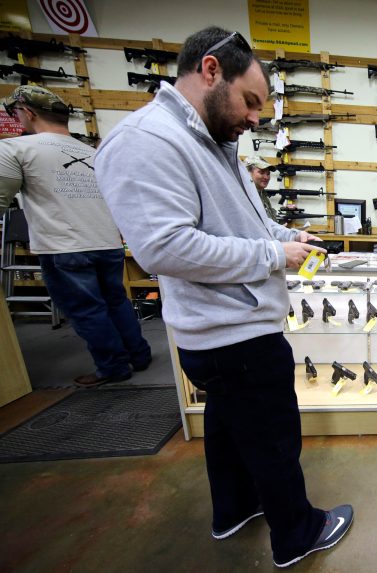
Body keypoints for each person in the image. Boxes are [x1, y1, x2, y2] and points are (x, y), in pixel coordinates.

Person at [94, 27, 352, 568]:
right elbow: (163, 247)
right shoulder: (146, 140)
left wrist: (287, 238)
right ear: (211, 71)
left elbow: (246, 225)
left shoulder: (214, 142)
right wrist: (271, 258)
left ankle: (233, 510)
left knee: (230, 432)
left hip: (228, 330)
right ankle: (298, 535)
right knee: (274, 442)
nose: (256, 117)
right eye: (251, 101)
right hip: (233, 333)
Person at [0, 85, 152, 387]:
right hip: (106, 240)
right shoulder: (93, 152)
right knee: (116, 301)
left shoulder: (17, 149)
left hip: (63, 244)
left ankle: (113, 367)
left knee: (86, 310)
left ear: (27, 113)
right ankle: (139, 355)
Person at [245, 155, 278, 221]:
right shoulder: (244, 195)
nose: (266, 177)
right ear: (247, 172)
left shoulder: (262, 193)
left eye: (268, 174)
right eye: (261, 172)